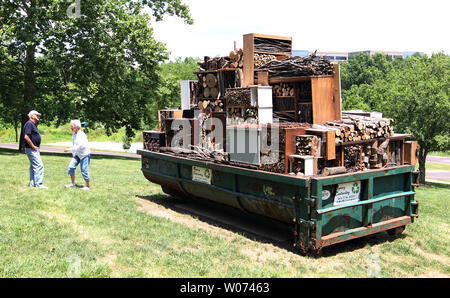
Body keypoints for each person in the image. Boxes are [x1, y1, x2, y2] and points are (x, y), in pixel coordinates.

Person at [23, 110, 48, 189]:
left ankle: (33, 184)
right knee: (39, 166)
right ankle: (39, 184)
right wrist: (33, 146)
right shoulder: (29, 124)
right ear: (31, 116)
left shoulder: (33, 124)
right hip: (31, 149)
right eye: (36, 115)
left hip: (33, 149)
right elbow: (26, 137)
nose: (38, 116)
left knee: (33, 167)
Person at [64, 120, 91, 191]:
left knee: (84, 170)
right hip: (77, 154)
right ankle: (72, 183)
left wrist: (69, 150)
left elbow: (79, 147)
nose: (71, 128)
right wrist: (73, 154)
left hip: (84, 154)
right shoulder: (74, 135)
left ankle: (88, 186)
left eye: (72, 126)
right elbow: (74, 145)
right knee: (71, 167)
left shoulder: (81, 135)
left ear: (76, 127)